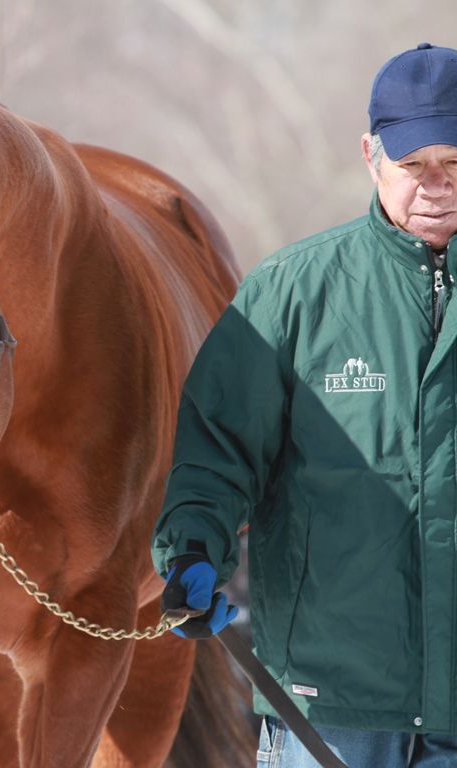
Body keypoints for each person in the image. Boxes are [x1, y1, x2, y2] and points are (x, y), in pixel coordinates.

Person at [152, 42, 457, 767]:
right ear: (370, 154)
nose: (436, 185)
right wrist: (193, 548)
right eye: (414, 165)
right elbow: (216, 450)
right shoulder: (294, 295)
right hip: (333, 699)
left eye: (456, 162)